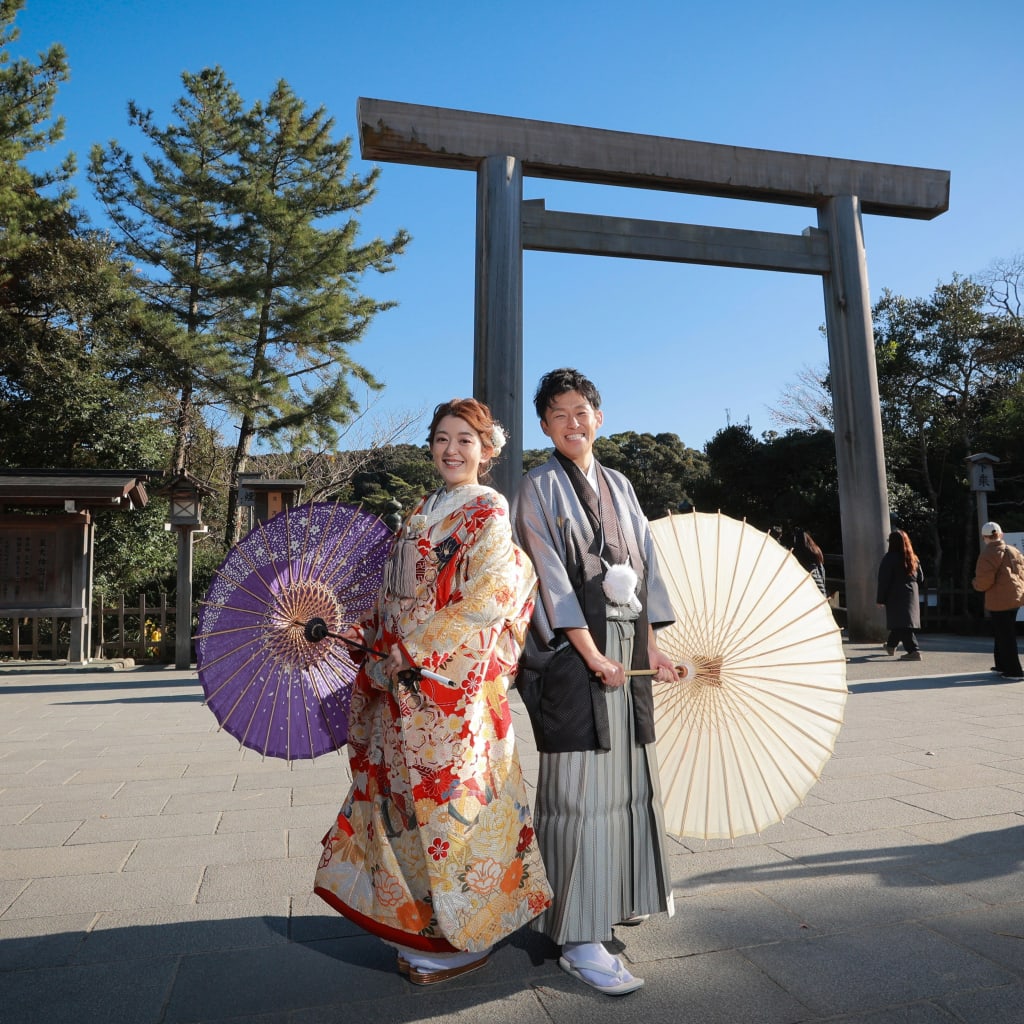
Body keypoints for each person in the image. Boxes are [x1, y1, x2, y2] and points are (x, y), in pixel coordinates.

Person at [314, 398, 552, 985]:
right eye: (443, 438)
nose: (452, 450)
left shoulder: (488, 511)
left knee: (454, 813)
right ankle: (421, 925)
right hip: (403, 687)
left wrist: (417, 649)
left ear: (487, 451)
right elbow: (394, 596)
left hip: (452, 694)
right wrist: (365, 630)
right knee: (403, 814)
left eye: (465, 440)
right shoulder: (422, 510)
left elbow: (490, 596)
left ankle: (463, 939)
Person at [511, 368, 679, 997]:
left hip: (626, 646)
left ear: (598, 417)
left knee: (628, 782)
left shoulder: (621, 485)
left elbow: (646, 568)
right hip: (574, 651)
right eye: (558, 415)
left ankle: (617, 895)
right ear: (545, 427)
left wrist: (654, 650)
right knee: (577, 793)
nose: (572, 423)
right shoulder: (538, 486)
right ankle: (577, 935)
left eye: (581, 411)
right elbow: (549, 575)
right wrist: (588, 652)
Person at [972, 521, 1024, 680]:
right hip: (1015, 596)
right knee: (1003, 632)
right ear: (1000, 535)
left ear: (984, 537)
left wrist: (975, 583)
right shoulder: (1013, 550)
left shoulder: (987, 554)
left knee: (1005, 634)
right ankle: (1001, 664)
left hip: (998, 600)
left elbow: (984, 582)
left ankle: (1014, 670)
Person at [876, 529, 925, 661]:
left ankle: (913, 651)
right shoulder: (913, 558)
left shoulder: (889, 558)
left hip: (895, 594)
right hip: (911, 593)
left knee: (902, 624)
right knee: (901, 622)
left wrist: (880, 599)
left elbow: (884, 580)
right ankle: (891, 646)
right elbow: (920, 578)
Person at [790, 528, 828, 596]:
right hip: (821, 593)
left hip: (810, 594)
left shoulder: (798, 559)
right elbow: (822, 573)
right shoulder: (816, 552)